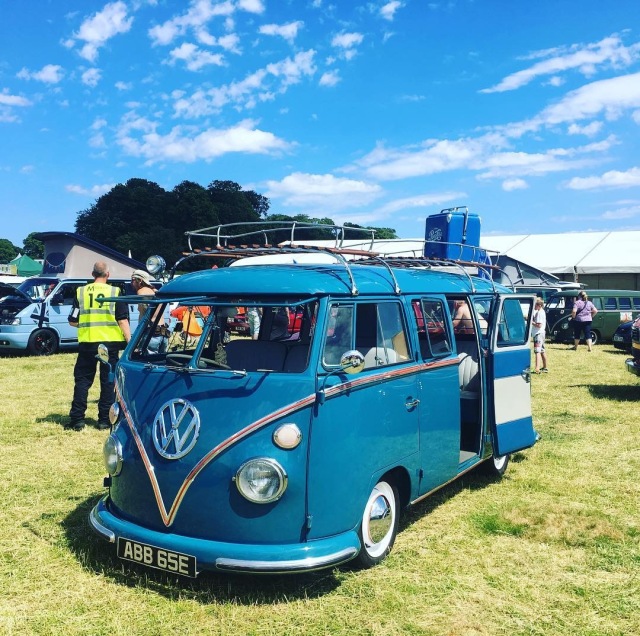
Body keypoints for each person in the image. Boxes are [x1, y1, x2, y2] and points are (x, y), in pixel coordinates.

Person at [67, 261, 131, 431]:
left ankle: (77, 419)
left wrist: (88, 324)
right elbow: (122, 320)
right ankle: (104, 420)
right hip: (109, 344)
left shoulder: (81, 292)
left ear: (92, 274)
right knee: (108, 382)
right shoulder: (115, 292)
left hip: (87, 343)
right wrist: (130, 342)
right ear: (107, 274)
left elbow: (73, 321)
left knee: (82, 381)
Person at [131, 269, 166, 353]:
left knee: (148, 364)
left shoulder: (141, 292)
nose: (131, 283)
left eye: (132, 280)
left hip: (151, 334)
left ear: (139, 281)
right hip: (163, 333)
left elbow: (146, 314)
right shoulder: (155, 291)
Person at [531, 297, 548, 373]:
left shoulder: (539, 313)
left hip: (538, 334)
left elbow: (539, 325)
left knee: (537, 351)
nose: (534, 306)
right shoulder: (541, 312)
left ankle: (537, 368)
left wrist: (531, 322)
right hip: (541, 333)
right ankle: (545, 367)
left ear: (539, 305)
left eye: (535, 305)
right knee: (542, 350)